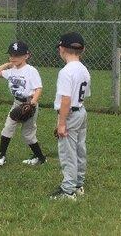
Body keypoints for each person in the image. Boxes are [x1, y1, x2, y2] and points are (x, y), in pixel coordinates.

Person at [50, 32, 91, 201]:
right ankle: (78, 184)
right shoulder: (84, 69)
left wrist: (61, 124)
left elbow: (66, 99)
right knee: (80, 149)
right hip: (81, 111)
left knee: (68, 153)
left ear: (62, 49)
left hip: (70, 114)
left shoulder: (66, 71)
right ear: (82, 50)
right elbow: (84, 95)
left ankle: (68, 191)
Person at [0, 41, 46, 167]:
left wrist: (32, 104)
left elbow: (39, 88)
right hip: (17, 103)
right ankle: (1, 155)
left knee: (28, 134)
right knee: (8, 127)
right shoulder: (11, 70)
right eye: (11, 55)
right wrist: (8, 64)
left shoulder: (31, 71)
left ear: (26, 56)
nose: (13, 58)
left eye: (17, 55)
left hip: (29, 103)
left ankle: (41, 158)